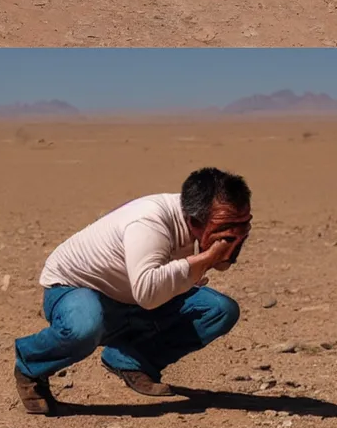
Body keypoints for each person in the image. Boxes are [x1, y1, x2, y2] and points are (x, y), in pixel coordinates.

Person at [13, 168, 251, 415]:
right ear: (193, 220)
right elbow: (148, 295)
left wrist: (228, 244)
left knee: (219, 310)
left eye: (243, 224)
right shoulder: (149, 223)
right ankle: (31, 364)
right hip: (77, 288)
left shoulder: (196, 216)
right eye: (227, 226)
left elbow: (220, 265)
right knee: (85, 327)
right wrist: (209, 256)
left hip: (131, 294)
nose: (235, 233)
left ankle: (131, 360)